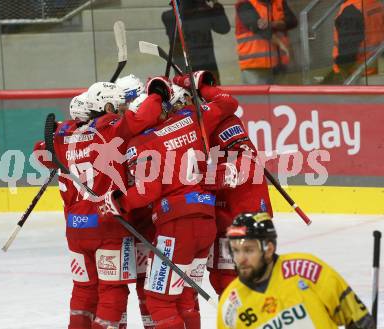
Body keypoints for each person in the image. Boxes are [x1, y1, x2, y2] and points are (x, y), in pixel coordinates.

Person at [100, 71, 238, 329]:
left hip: (176, 227)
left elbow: (146, 192)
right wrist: (197, 84)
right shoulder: (190, 119)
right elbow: (229, 103)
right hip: (206, 222)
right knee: (186, 297)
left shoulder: (141, 142)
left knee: (160, 302)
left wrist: (119, 202)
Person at [34, 80, 166, 329]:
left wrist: (64, 128)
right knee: (112, 291)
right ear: (106, 107)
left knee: (84, 291)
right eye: (117, 107)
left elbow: (39, 151)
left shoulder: (66, 136)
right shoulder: (110, 130)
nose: (120, 112)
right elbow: (141, 118)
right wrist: (157, 95)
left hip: (75, 228)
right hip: (107, 224)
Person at [217, 212, 375, 329]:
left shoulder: (308, 270)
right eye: (236, 250)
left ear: (269, 249)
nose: (241, 258)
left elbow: (359, 320)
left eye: (249, 250)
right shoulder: (230, 305)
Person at [204, 111, 273, 297]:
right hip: (227, 222)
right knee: (220, 280)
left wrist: (197, 177)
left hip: (243, 222)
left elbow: (239, 167)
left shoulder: (242, 157)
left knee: (233, 282)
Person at [162, 0, 231, 83]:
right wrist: (214, 4)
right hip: (197, 70)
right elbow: (224, 28)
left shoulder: (169, 16)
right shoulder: (204, 14)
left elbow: (224, 28)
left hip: (195, 70)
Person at [235, 0, 297, 84]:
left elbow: (292, 21)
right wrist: (282, 45)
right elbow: (258, 28)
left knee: (280, 95)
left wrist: (272, 24)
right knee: (258, 95)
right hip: (256, 64)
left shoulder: (279, 2)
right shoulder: (244, 3)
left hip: (279, 62)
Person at [323, 0, 384, 84]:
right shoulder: (375, 4)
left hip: (354, 73)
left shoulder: (351, 10)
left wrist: (340, 73)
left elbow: (348, 52)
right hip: (372, 67)